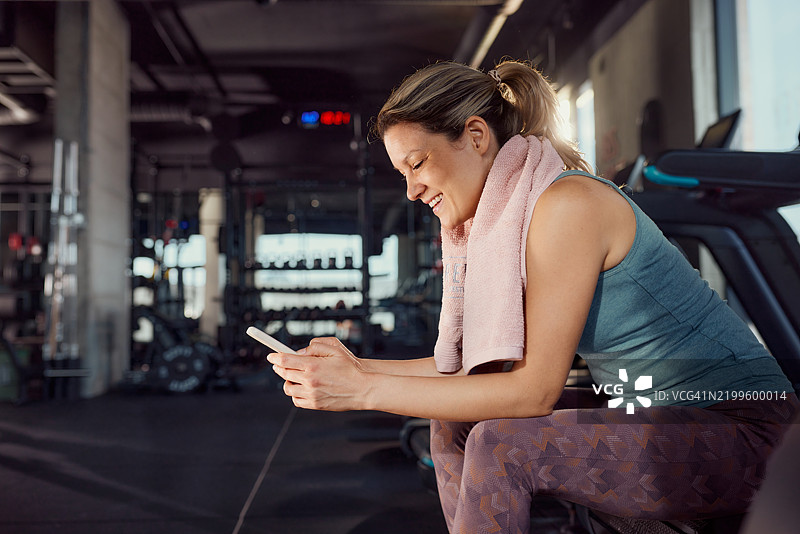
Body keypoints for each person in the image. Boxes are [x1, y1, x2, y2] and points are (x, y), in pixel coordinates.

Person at [267, 59, 799, 533]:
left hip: (744, 430)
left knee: (503, 446)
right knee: (453, 421)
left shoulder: (567, 205)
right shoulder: (514, 218)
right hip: (652, 408)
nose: (410, 190)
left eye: (417, 163)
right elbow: (467, 369)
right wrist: (357, 367)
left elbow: (533, 392)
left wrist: (361, 391)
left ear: (476, 135)